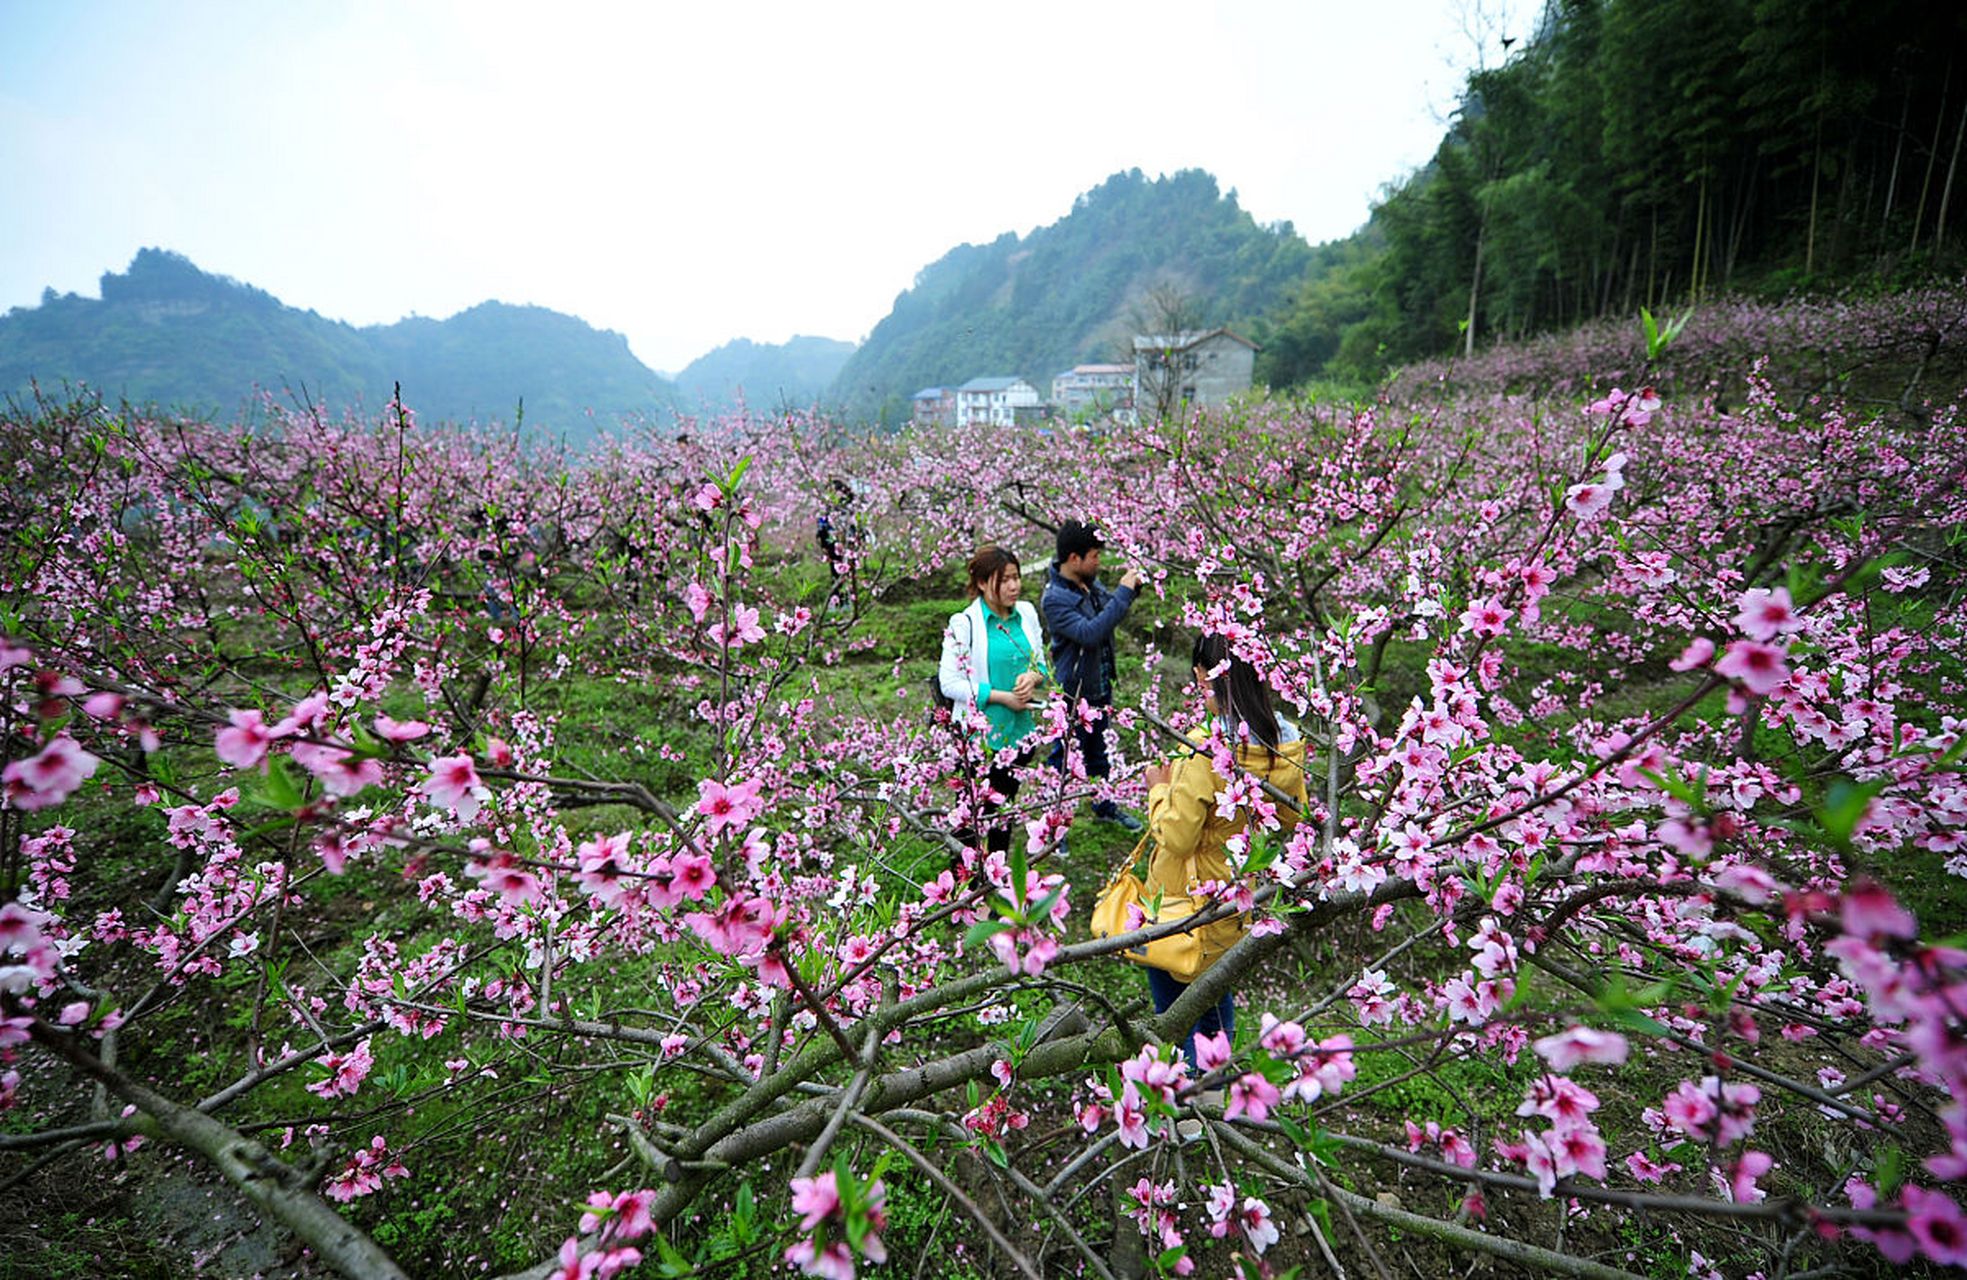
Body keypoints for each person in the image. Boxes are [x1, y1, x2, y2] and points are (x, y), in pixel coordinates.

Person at [1140, 631, 1307, 1070]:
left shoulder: (1208, 748)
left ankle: (1186, 1093)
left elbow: (1177, 836)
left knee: (1174, 1006)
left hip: (1182, 897)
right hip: (1237, 891)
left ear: (1204, 675)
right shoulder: (1284, 742)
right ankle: (1215, 1089)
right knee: (1216, 991)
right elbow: (1295, 816)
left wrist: (1158, 791)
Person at [938, 545, 1051, 860]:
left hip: (1019, 733)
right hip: (979, 740)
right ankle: (967, 888)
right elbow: (950, 683)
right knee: (971, 817)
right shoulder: (965, 623)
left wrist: (1033, 677)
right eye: (1005, 580)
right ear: (984, 583)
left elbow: (1040, 664)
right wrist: (1002, 697)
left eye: (1016, 578)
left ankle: (995, 880)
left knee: (1003, 812)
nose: (1014, 586)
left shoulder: (1025, 613)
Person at [1041, 520, 1143, 833]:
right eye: (1094, 556)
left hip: (1098, 684)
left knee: (1098, 753)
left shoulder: (1088, 584)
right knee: (1064, 759)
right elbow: (1089, 632)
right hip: (1073, 690)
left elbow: (1106, 611)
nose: (1098, 562)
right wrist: (1123, 595)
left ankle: (1105, 806)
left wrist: (1132, 592)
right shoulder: (1054, 598)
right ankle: (1056, 824)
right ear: (1074, 559)